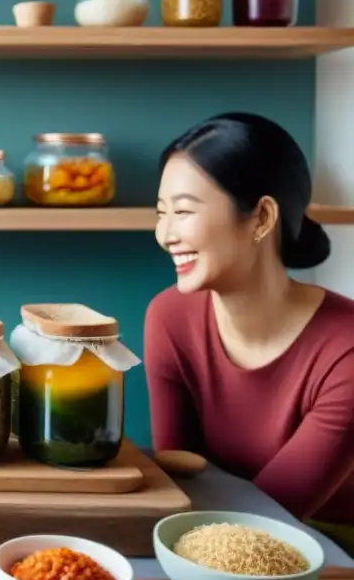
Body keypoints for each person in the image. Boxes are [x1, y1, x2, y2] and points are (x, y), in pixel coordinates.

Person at [145, 111, 354, 552]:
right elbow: (180, 478)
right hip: (213, 543)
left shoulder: (346, 349)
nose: (165, 234)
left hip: (330, 556)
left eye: (183, 211)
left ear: (261, 217)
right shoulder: (169, 318)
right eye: (162, 213)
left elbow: (272, 515)